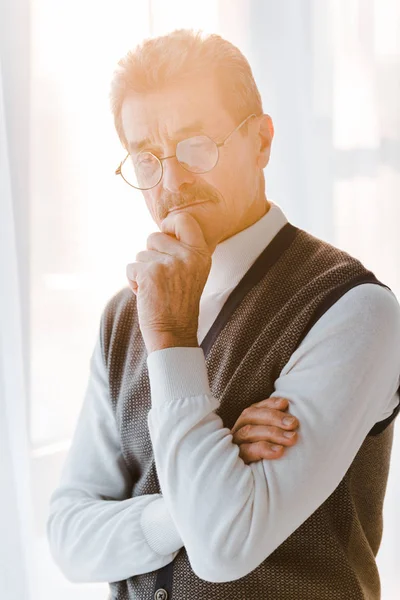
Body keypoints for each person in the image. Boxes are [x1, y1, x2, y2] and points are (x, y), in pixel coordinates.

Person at [47, 29, 400, 600]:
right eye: (146, 158)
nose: (173, 181)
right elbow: (66, 535)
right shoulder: (121, 315)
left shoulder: (354, 308)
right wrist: (188, 501)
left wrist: (169, 336)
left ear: (261, 141)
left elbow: (224, 548)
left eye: (195, 146)